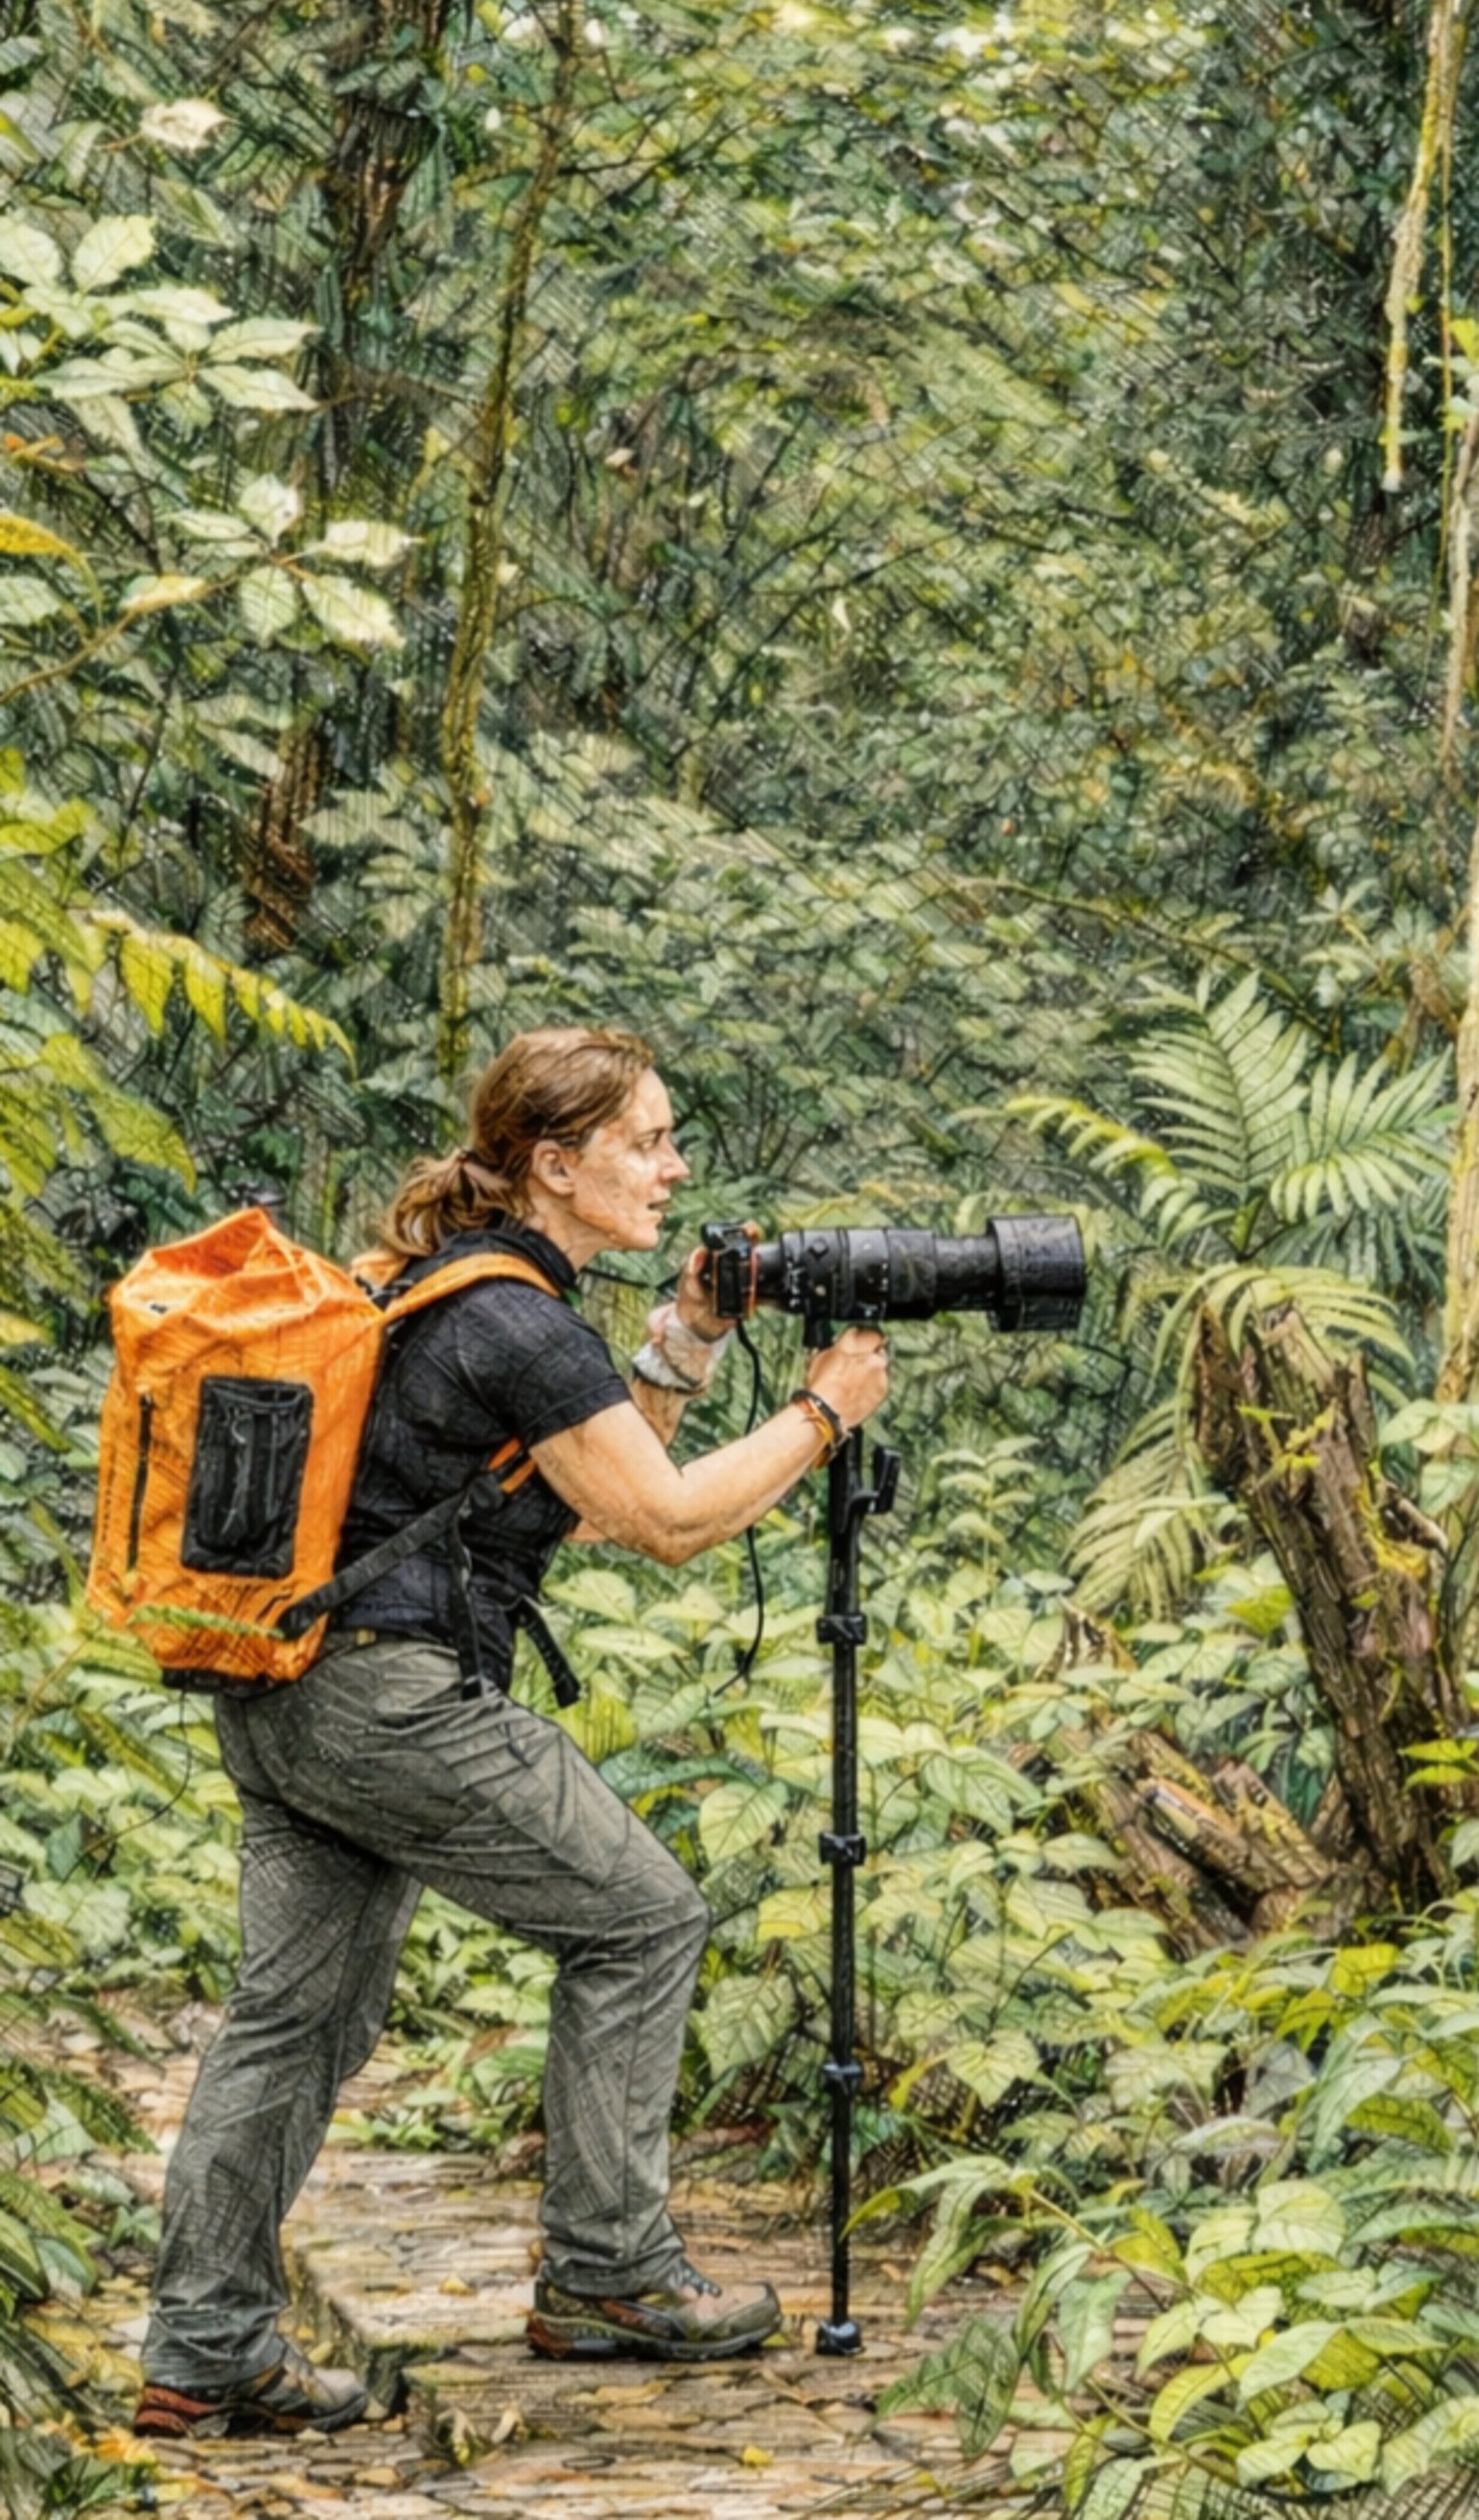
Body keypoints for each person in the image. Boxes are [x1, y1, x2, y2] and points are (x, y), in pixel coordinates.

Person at [132, 1026, 890, 2440]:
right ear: (558, 1163)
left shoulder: (460, 1292)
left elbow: (602, 1487)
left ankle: (208, 2346)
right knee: (642, 1919)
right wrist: (821, 1417)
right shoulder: (516, 1320)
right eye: (646, 1142)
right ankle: (608, 2271)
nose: (672, 1168)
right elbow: (665, 1523)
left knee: (296, 2022)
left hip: (288, 1693)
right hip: (386, 1698)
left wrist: (693, 1336)